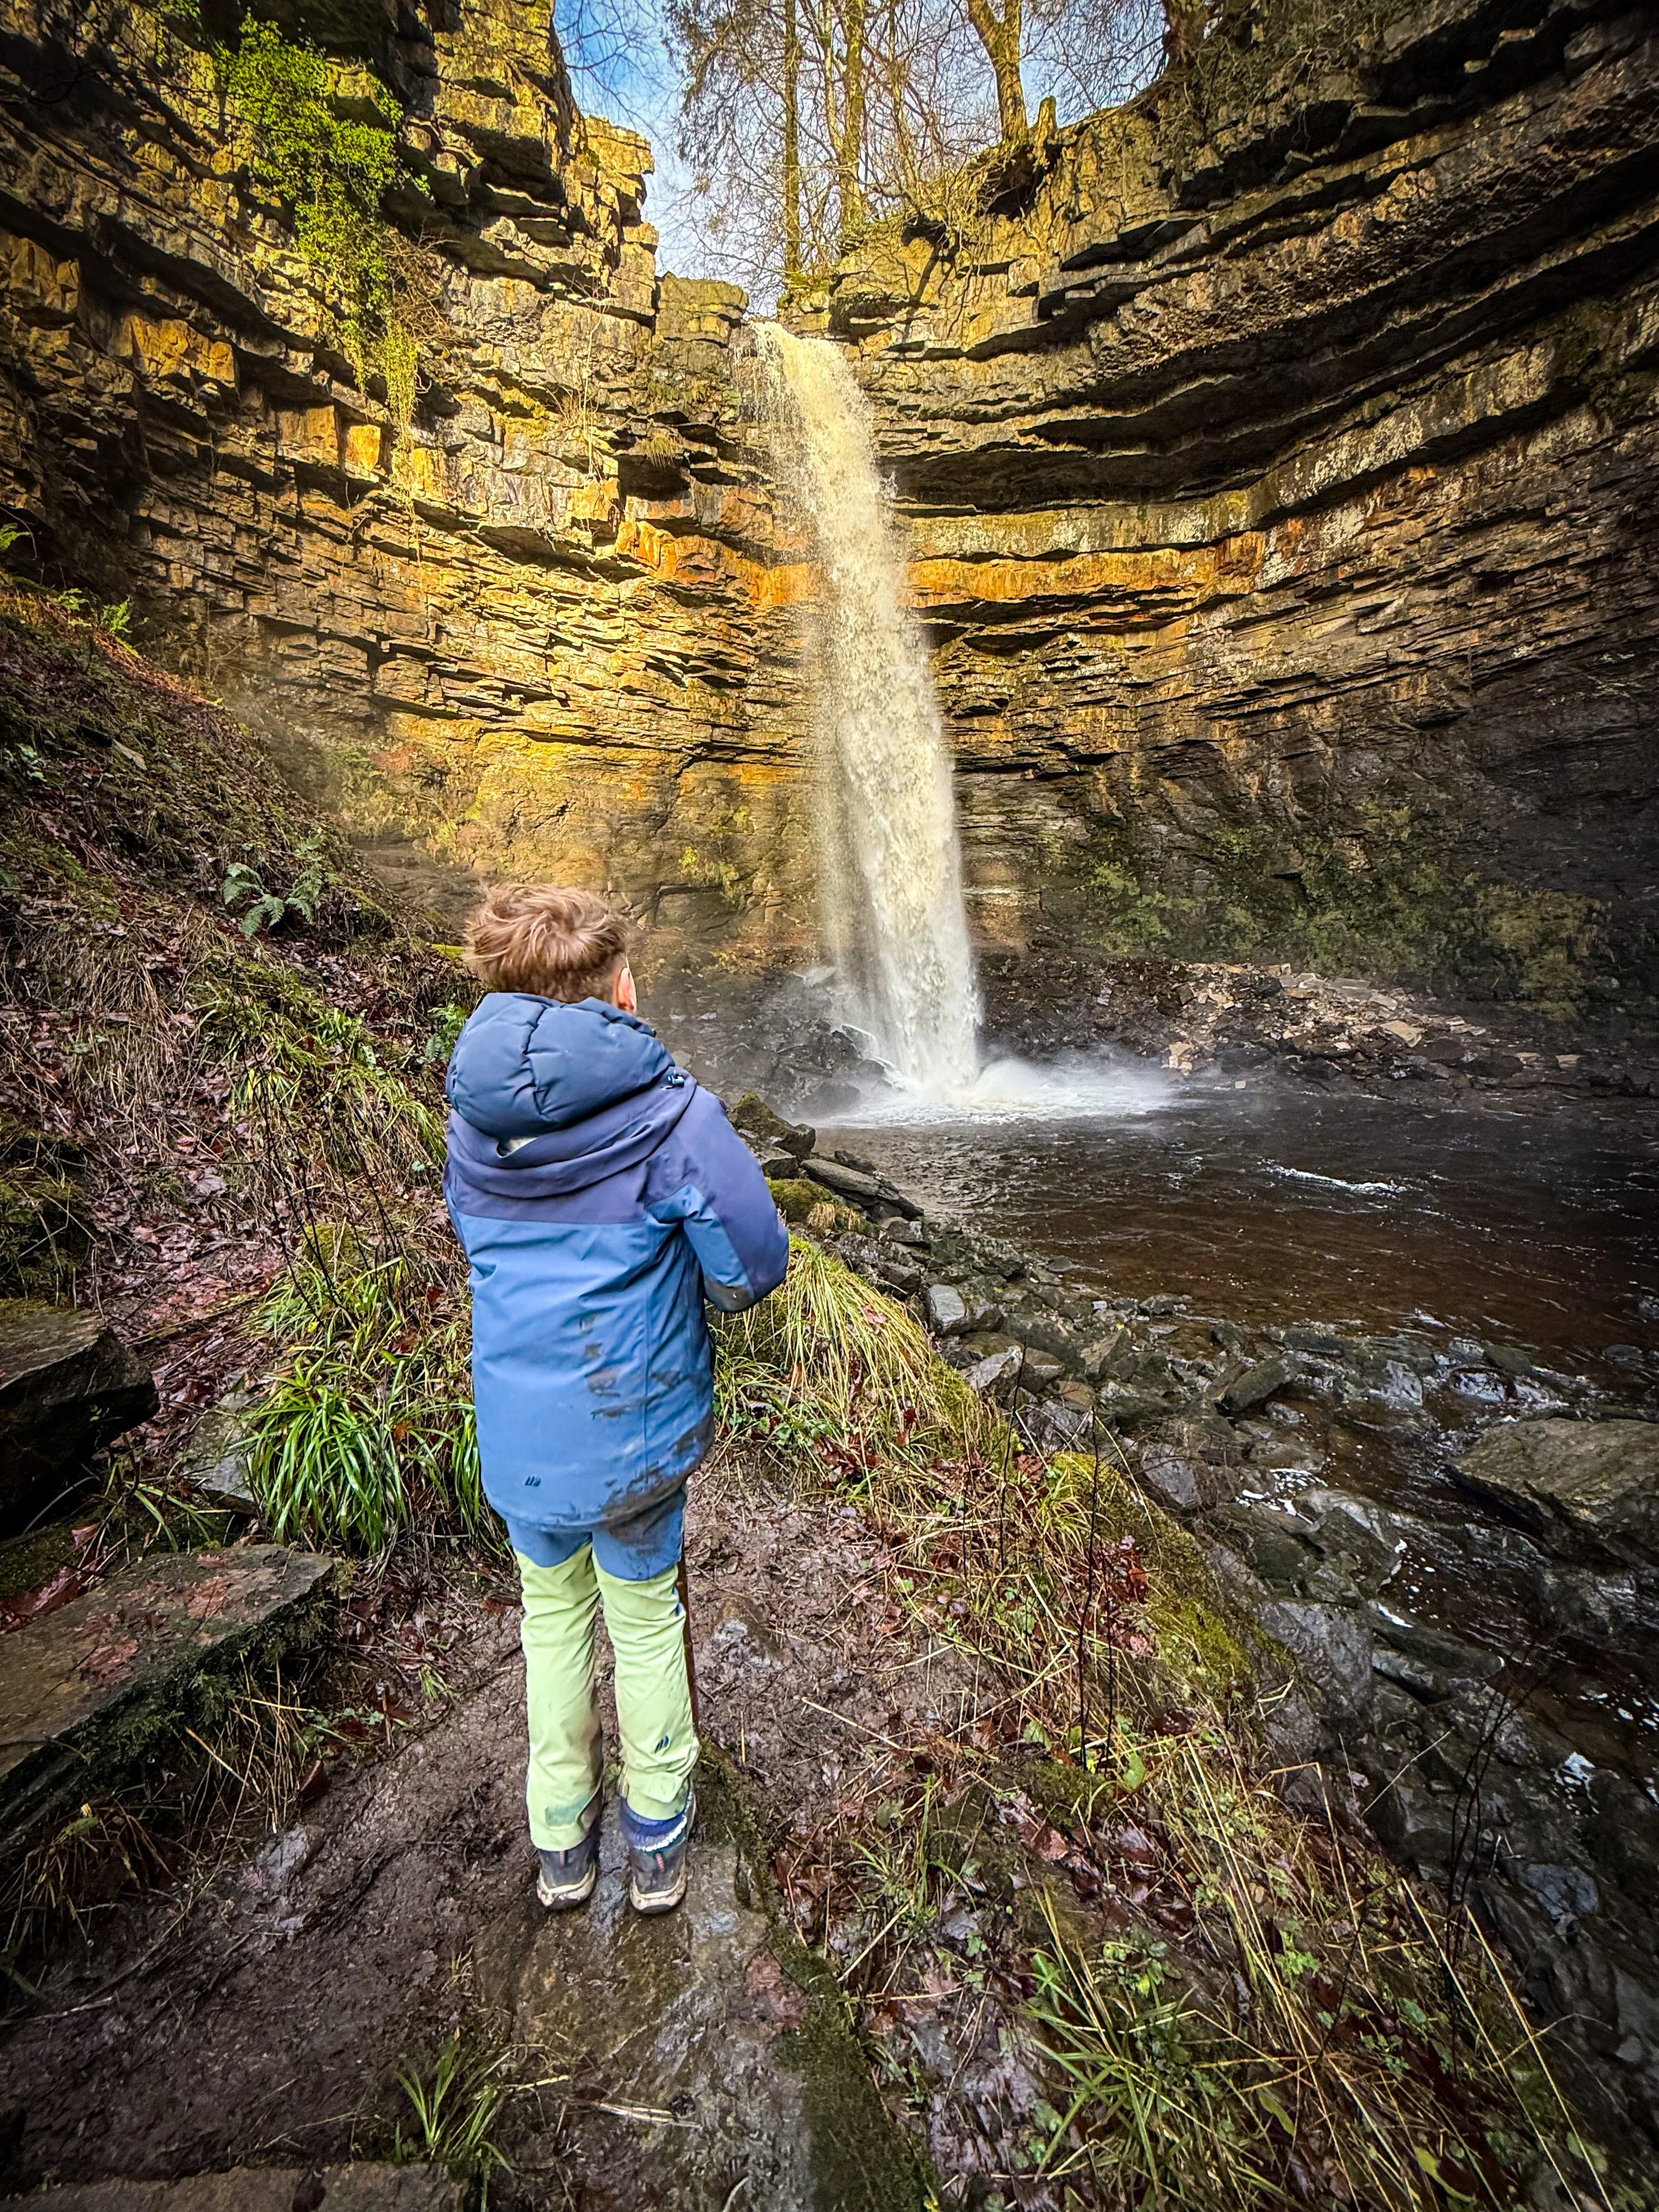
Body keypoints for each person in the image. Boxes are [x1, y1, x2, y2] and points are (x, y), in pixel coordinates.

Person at [443, 885, 790, 1915]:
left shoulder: (470, 1119)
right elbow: (750, 1263)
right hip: (630, 1428)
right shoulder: (673, 1116)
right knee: (642, 1615)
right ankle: (658, 1836)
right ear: (618, 988)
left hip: (521, 1434)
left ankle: (560, 1841)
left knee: (549, 1616)